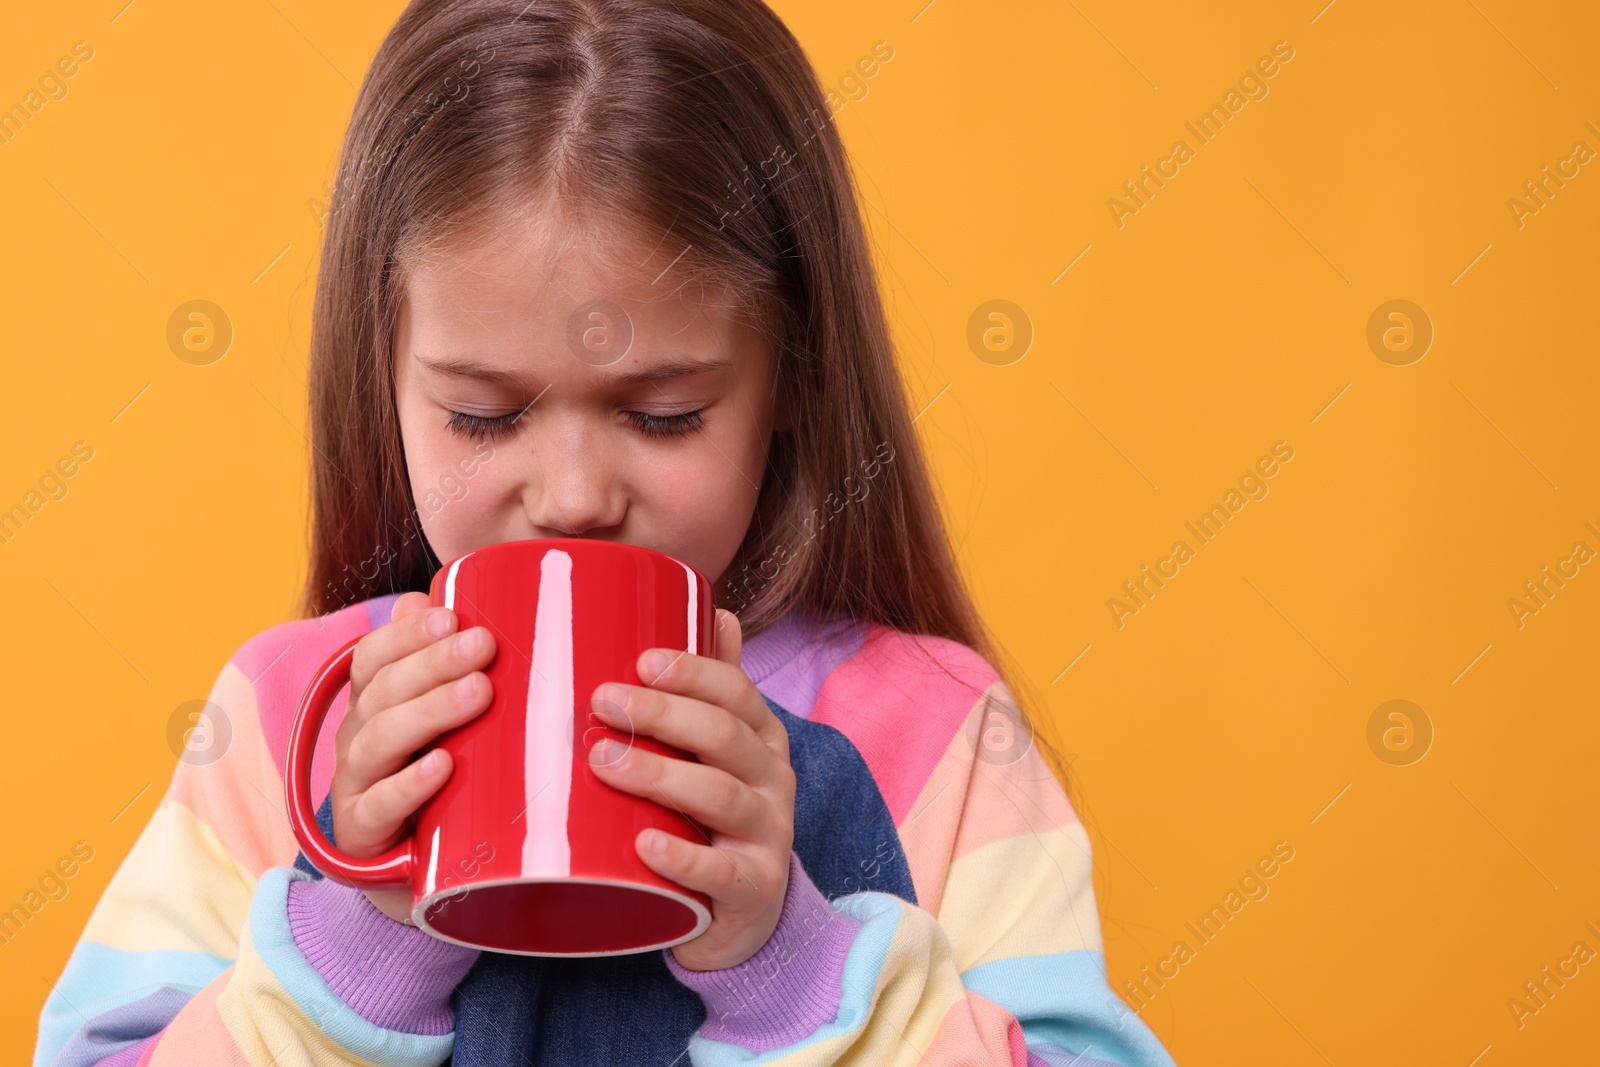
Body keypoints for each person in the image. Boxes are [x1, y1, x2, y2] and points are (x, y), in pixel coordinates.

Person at [33, 0, 1178, 1064]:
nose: (574, 493)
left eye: (662, 412)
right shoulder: (295, 714)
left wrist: (792, 967)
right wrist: (358, 943)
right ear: (380, 374)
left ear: (790, 375)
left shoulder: (936, 735)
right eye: (483, 414)